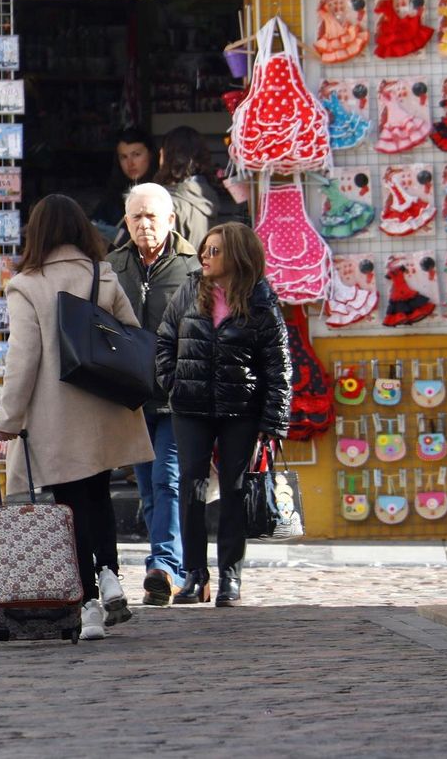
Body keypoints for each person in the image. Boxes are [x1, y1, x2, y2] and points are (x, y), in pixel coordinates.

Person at [0, 194, 153, 640]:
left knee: (69, 507)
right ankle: (110, 574)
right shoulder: (102, 274)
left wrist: (8, 419)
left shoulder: (27, 285)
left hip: (57, 415)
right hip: (103, 405)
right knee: (99, 495)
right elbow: (131, 333)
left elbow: (22, 359)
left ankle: (88, 607)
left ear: (37, 232)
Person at [156, 223, 291, 607]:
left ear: (237, 255)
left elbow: (278, 365)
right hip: (191, 407)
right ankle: (194, 575)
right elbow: (165, 339)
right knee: (192, 488)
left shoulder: (260, 299)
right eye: (205, 249)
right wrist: (173, 382)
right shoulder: (189, 289)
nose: (205, 256)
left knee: (234, 490)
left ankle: (230, 576)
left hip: (240, 409)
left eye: (215, 251)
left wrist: (274, 420)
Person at [105, 184, 199, 606]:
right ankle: (172, 569)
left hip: (176, 395)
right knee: (147, 486)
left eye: (152, 216)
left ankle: (163, 566)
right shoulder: (113, 266)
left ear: (171, 220)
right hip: (133, 396)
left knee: (168, 480)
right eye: (136, 217)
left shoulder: (192, 267)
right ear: (126, 221)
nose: (144, 224)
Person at [90, 127, 158, 242]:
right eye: (124, 157)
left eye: (136, 155)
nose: (130, 163)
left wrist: (121, 237)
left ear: (150, 155)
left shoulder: (161, 193)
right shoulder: (113, 194)